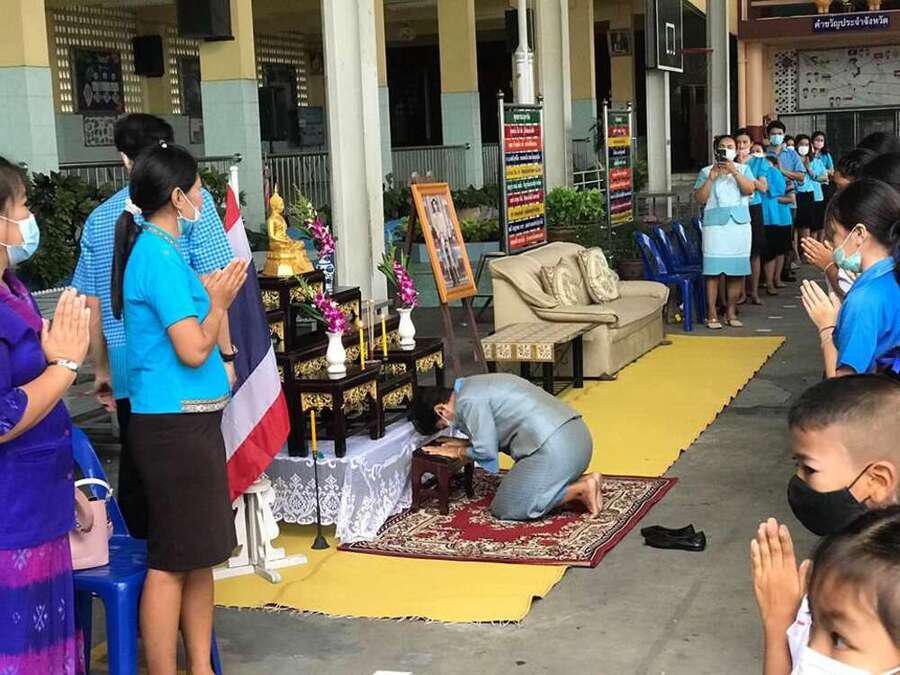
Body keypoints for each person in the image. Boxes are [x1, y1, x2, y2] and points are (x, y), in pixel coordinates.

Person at [110, 142, 248, 673]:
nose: (202, 199)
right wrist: (219, 304)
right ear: (176, 197)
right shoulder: (157, 257)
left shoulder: (168, 251)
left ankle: (201, 667)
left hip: (191, 425)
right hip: (173, 429)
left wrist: (210, 298)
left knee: (199, 555)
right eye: (196, 190)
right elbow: (192, 349)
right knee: (171, 562)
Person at [72, 113, 235, 539]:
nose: (199, 196)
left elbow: (92, 302)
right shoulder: (173, 223)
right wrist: (226, 354)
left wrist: (102, 368)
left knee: (140, 468)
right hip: (176, 365)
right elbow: (216, 280)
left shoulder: (102, 218)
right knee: (179, 493)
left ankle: (139, 546)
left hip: (129, 359)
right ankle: (160, 557)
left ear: (125, 160)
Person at [0, 158, 91, 674]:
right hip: (10, 516)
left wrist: (67, 481)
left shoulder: (14, 290)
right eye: (24, 206)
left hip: (40, 501)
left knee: (49, 645)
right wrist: (65, 367)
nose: (29, 218)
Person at [750, 375, 900, 675]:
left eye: (809, 468)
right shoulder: (841, 557)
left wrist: (780, 624)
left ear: (877, 480)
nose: (798, 479)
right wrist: (782, 619)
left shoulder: (882, 578)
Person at [410, 373, 603, 521]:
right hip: (579, 439)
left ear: (441, 409)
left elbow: (486, 450)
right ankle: (584, 479)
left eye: (442, 425)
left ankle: (579, 489)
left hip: (556, 450)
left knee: (507, 507)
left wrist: (459, 451)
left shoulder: (469, 402)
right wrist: (466, 444)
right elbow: (499, 429)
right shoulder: (472, 385)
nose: (448, 426)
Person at [800, 178, 900, 377]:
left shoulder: (863, 300)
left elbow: (844, 388)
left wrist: (827, 327)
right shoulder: (889, 279)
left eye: (834, 236)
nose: (830, 246)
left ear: (859, 234)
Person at [693, 134, 756, 328]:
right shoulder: (706, 171)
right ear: (716, 151)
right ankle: (712, 312)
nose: (726, 150)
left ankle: (731, 311)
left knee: (736, 271)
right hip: (715, 228)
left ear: (736, 151)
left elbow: (749, 190)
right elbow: (700, 199)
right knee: (713, 271)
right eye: (722, 147)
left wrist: (734, 172)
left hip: (739, 227)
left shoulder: (744, 169)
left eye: (730, 146)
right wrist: (711, 179)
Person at [738, 131, 769, 305]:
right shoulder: (729, 163)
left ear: (750, 144)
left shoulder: (759, 162)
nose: (741, 146)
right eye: (738, 143)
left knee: (754, 252)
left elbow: (763, 187)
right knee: (740, 251)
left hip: (754, 207)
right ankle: (741, 292)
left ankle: (754, 292)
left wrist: (746, 171)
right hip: (737, 207)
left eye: (745, 142)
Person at [761, 155, 794, 296]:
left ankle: (775, 279)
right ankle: (767, 281)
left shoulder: (777, 175)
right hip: (765, 218)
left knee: (778, 250)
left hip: (780, 218)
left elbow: (790, 198)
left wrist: (771, 195)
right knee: (768, 252)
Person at [794, 134, 828, 248]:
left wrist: (809, 170)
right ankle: (797, 252)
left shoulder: (814, 160)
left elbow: (824, 177)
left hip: (810, 194)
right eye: (801, 144)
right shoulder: (792, 159)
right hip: (795, 193)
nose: (804, 147)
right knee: (796, 227)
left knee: (809, 226)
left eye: (806, 144)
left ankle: (808, 251)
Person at [811, 131, 835, 235]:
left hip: (824, 186)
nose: (819, 142)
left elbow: (831, 171)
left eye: (821, 140)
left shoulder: (826, 155)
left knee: (822, 213)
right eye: (817, 140)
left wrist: (822, 171)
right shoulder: (809, 155)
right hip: (812, 186)